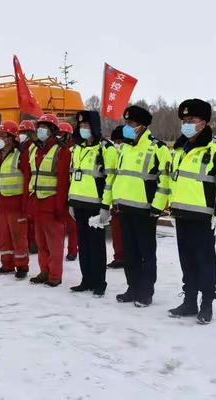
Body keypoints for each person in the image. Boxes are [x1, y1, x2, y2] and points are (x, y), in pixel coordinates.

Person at [112, 105, 171, 307]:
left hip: (145, 210)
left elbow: (165, 180)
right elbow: (120, 177)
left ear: (142, 125)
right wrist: (115, 200)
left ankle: (145, 291)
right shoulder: (124, 148)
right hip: (125, 208)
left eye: (131, 123)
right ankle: (132, 287)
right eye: (126, 122)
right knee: (130, 253)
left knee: (146, 253)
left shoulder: (158, 148)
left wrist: (157, 206)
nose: (127, 126)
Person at [168, 99, 216, 324]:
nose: (187, 124)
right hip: (181, 214)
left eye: (192, 120)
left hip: (203, 217)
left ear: (204, 122)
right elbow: (173, 181)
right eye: (184, 120)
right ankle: (189, 301)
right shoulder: (179, 149)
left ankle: (206, 304)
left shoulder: (215, 148)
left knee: (205, 262)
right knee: (186, 260)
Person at [68, 111, 118, 297]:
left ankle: (99, 282)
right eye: (80, 126)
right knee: (84, 245)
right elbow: (73, 176)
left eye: (86, 126)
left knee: (96, 246)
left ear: (95, 127)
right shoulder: (77, 148)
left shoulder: (106, 149)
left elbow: (110, 179)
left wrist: (105, 207)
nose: (83, 129)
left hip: (96, 206)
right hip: (79, 203)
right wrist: (71, 201)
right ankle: (86, 280)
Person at [28, 114, 71, 287]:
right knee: (41, 243)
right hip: (38, 204)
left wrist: (60, 207)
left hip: (52, 204)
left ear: (52, 131)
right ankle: (44, 271)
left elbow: (62, 182)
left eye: (45, 127)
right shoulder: (36, 149)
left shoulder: (61, 150)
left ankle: (55, 275)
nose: (40, 130)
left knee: (54, 244)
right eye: (40, 127)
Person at [0, 121, 30, 279]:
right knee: (3, 236)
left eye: (2, 135)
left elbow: (27, 180)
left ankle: (22, 266)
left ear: (11, 138)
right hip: (1, 202)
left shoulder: (20, 155)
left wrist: (25, 204)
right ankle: (6, 263)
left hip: (16, 202)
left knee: (18, 237)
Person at [58, 122, 79, 262]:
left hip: (72, 190)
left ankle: (72, 250)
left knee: (72, 226)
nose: (59, 137)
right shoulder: (57, 150)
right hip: (60, 189)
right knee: (59, 225)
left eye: (62, 134)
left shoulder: (75, 150)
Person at [107, 125, 126, 269]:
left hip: (129, 201)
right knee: (116, 232)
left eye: (120, 141)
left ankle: (130, 257)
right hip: (115, 201)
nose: (117, 145)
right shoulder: (112, 156)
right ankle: (119, 256)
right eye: (115, 142)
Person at [18, 120, 37, 254]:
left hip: (31, 185)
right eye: (21, 132)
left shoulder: (33, 147)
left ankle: (33, 243)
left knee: (32, 218)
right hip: (23, 184)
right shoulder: (22, 147)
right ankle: (29, 242)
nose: (22, 135)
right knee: (26, 217)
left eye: (24, 132)